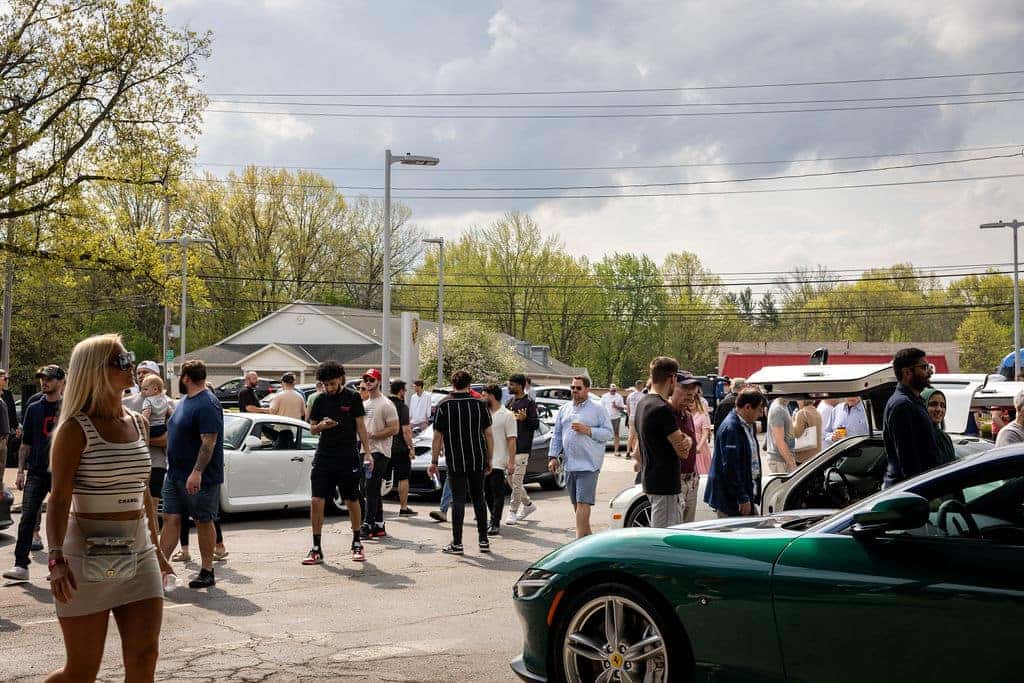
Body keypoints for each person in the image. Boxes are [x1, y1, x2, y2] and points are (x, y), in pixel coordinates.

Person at [40, 335, 173, 681]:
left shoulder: (138, 422)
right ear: (96, 370)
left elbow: (144, 495)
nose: (131, 366)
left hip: (138, 553)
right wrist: (55, 558)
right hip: (84, 557)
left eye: (129, 358)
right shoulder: (74, 429)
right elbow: (58, 499)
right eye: (122, 361)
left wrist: (157, 551)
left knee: (145, 657)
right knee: (82, 671)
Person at [157, 359, 225, 589]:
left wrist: (196, 472)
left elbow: (209, 442)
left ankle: (207, 570)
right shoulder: (186, 401)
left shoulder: (208, 403)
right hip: (174, 473)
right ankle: (160, 569)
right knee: (170, 518)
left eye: (180, 376)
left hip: (198, 477)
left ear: (186, 378)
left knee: (203, 520)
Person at [302, 361, 373, 564]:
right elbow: (312, 428)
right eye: (325, 385)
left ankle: (357, 542)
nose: (329, 388)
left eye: (332, 384)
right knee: (316, 500)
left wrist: (367, 453)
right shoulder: (319, 399)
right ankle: (316, 548)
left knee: (352, 501)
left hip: (347, 456)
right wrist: (322, 426)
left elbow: (361, 427)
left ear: (341, 379)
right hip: (324, 455)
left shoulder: (353, 397)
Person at [3, 365, 65, 582]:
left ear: (61, 381)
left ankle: (59, 564)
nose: (44, 382)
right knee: (27, 517)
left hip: (62, 472)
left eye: (48, 378)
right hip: (37, 471)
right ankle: (21, 565)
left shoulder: (68, 407)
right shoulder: (34, 407)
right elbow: (25, 443)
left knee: (61, 519)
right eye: (41, 378)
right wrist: (20, 471)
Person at [429, 369, 494, 555]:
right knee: (478, 498)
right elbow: (488, 434)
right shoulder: (480, 404)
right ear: (469, 384)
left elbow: (437, 437)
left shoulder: (444, 405)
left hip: (455, 459)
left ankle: (457, 543)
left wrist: (434, 461)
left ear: (452, 384)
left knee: (457, 500)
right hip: (477, 457)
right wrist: (489, 458)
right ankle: (483, 540)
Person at [548, 375, 612, 538]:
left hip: (589, 465)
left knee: (583, 504)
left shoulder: (598, 408)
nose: (574, 391)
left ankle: (577, 541)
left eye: (578, 388)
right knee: (577, 507)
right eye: (572, 388)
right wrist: (553, 456)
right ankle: (589, 540)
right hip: (570, 465)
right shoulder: (565, 409)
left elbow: (608, 433)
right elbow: (557, 434)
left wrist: (588, 430)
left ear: (587, 389)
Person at [634, 357, 693, 528]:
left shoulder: (642, 403)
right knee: (665, 539)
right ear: (672, 378)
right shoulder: (662, 409)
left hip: (651, 480)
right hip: (665, 485)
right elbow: (683, 450)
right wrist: (687, 439)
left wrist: (683, 439)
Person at [704, 388, 767, 517]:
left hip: (744, 493)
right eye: (759, 409)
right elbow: (731, 467)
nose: (760, 414)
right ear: (748, 407)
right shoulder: (731, 428)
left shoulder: (748, 425)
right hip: (731, 499)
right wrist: (742, 497)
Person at [882, 348, 939, 489]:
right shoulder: (902, 405)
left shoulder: (914, 401)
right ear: (907, 373)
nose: (929, 372)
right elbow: (907, 458)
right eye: (924, 367)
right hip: (910, 491)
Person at [360, 368, 399, 539]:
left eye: (371, 379)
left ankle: (367, 524)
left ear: (378, 381)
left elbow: (395, 428)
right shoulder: (365, 404)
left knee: (370, 487)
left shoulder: (386, 404)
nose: (368, 382)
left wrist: (374, 435)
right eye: (366, 379)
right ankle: (379, 524)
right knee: (370, 488)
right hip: (365, 451)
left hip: (380, 452)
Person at [482, 384, 517, 536]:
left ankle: (495, 522)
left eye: (484, 395)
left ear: (492, 396)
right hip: (483, 460)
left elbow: (511, 440)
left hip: (499, 460)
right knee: (486, 492)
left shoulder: (507, 415)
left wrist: (511, 462)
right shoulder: (483, 413)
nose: (482, 397)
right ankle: (493, 518)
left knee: (497, 492)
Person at [505, 373, 539, 525]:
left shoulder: (529, 403)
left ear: (520, 385)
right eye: (509, 384)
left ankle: (512, 511)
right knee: (511, 480)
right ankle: (528, 505)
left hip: (523, 447)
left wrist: (526, 419)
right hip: (509, 448)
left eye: (512, 384)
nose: (509, 387)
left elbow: (536, 424)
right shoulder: (509, 402)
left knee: (517, 481)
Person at [669, 372, 703, 523]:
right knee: (674, 530)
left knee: (688, 531)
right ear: (673, 386)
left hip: (691, 480)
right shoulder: (665, 413)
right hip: (674, 482)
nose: (691, 393)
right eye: (685, 388)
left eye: (694, 388)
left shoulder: (688, 416)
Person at [388, 379, 417, 516]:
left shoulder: (385, 403)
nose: (405, 393)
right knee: (403, 478)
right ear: (400, 391)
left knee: (381, 479)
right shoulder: (402, 407)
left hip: (384, 447)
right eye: (404, 390)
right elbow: (406, 430)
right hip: (399, 448)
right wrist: (411, 447)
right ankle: (403, 508)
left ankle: (376, 507)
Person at [921, 388, 957, 465]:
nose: (938, 409)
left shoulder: (945, 438)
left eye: (942, 405)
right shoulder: (916, 436)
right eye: (933, 404)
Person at [765, 397, 798, 474]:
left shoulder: (784, 406)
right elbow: (779, 441)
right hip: (780, 460)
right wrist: (792, 465)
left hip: (784, 459)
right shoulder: (778, 409)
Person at [140, 374, 172, 439]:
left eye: (145, 389)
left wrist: (139, 423)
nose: (142, 391)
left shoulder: (148, 400)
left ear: (155, 389)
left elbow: (145, 416)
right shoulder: (164, 399)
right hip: (162, 428)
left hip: (151, 429)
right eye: (142, 389)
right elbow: (171, 413)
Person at [792, 399, 823, 464]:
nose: (797, 401)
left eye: (798, 399)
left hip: (804, 456)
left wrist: (792, 420)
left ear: (802, 400)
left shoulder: (801, 413)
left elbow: (797, 434)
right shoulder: (817, 412)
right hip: (816, 454)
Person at [691, 385, 713, 475]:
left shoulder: (703, 415)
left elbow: (705, 433)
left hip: (700, 446)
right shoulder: (685, 414)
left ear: (697, 402)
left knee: (701, 471)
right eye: (689, 402)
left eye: (692, 402)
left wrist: (699, 446)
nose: (690, 404)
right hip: (689, 445)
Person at [600, 383, 626, 456]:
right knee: (604, 434)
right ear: (609, 389)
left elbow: (622, 408)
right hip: (607, 418)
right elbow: (601, 407)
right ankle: (601, 451)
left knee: (616, 434)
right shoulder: (604, 396)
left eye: (614, 390)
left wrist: (616, 406)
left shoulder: (619, 397)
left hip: (616, 418)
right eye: (612, 390)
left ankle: (616, 451)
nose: (613, 392)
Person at [625, 380, 645, 458]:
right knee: (638, 436)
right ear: (640, 386)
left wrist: (630, 415)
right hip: (639, 417)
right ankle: (637, 453)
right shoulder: (643, 396)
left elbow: (628, 408)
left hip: (631, 417)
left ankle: (627, 452)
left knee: (630, 436)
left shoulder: (630, 396)